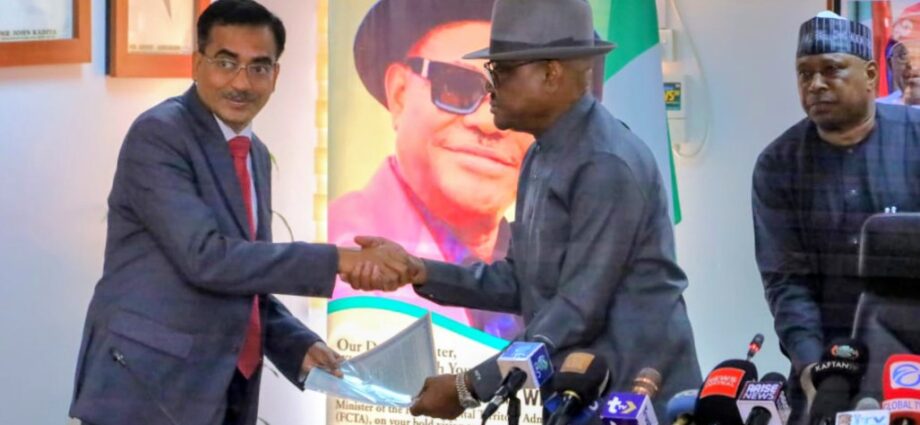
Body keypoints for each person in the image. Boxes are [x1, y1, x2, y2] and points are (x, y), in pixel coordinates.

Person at [345, 0, 702, 420]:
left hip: (636, 401)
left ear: (551, 73)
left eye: (500, 71)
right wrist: (420, 271)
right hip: (576, 396)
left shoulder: (605, 164)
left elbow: (576, 311)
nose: (489, 89)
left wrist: (468, 387)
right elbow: (520, 282)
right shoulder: (540, 154)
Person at [68, 1, 400, 424]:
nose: (241, 83)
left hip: (224, 389)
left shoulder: (254, 154)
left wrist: (296, 344)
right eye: (226, 63)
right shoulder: (159, 135)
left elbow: (246, 277)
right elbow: (208, 259)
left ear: (275, 75)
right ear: (197, 64)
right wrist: (339, 259)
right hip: (146, 388)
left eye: (259, 67)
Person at [753, 11, 920, 422]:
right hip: (828, 373)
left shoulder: (916, 138)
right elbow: (786, 282)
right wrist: (812, 370)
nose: (815, 84)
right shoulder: (778, 164)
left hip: (911, 370)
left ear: (870, 74)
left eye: (831, 70)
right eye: (804, 73)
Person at [328, 0, 531, 338]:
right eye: (457, 86)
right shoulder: (338, 240)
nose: (488, 122)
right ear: (399, 94)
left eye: (513, 98)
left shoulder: (542, 253)